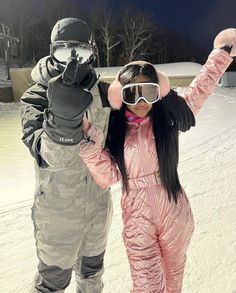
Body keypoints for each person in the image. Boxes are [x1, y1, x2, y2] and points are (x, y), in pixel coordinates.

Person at [20, 17, 195, 293]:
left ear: (93, 53)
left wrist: (165, 95)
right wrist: (62, 123)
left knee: (91, 277)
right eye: (65, 52)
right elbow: (47, 154)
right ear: (52, 51)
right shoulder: (37, 96)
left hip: (98, 210)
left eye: (82, 52)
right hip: (58, 211)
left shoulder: (102, 93)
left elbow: (136, 92)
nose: (73, 61)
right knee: (51, 283)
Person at [79, 28, 236, 293]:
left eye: (148, 92)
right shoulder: (115, 130)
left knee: (173, 281)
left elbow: (202, 85)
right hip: (137, 217)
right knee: (147, 286)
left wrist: (222, 54)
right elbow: (107, 177)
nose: (141, 101)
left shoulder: (167, 120)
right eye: (133, 93)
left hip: (175, 210)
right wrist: (90, 148)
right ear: (121, 96)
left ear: (158, 93)